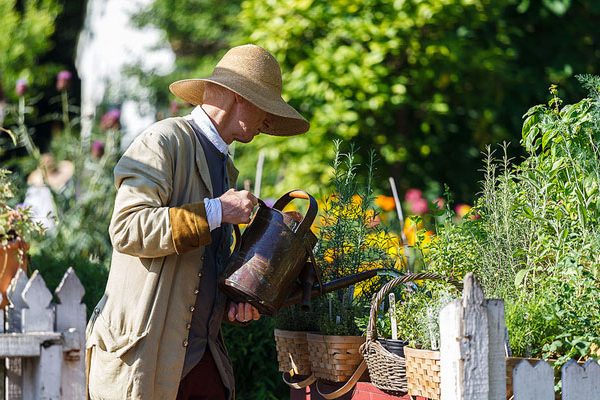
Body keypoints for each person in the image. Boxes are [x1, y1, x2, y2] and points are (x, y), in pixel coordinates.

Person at [86, 44, 310, 400]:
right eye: (265, 108)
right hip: (145, 361)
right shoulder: (163, 141)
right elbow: (127, 229)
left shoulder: (225, 166)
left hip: (201, 364)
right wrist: (216, 211)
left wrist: (231, 303)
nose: (268, 122)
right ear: (240, 98)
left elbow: (201, 271)